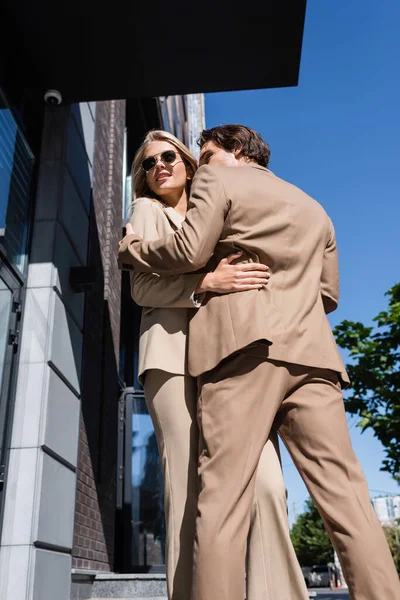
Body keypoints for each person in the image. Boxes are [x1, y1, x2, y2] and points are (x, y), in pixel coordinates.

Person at [119, 124, 400, 600]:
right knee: (348, 498)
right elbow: (327, 295)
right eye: (148, 162)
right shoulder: (315, 206)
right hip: (306, 355)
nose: (170, 166)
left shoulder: (216, 185)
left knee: (225, 498)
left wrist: (132, 250)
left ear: (231, 152)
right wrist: (217, 283)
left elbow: (188, 249)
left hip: (240, 351)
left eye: (197, 156)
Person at [127, 129, 309, 600]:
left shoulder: (220, 204)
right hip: (170, 356)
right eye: (148, 164)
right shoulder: (149, 210)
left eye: (168, 156)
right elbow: (141, 289)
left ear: (189, 162)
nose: (159, 166)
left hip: (228, 356)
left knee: (266, 483)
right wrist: (206, 282)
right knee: (187, 489)